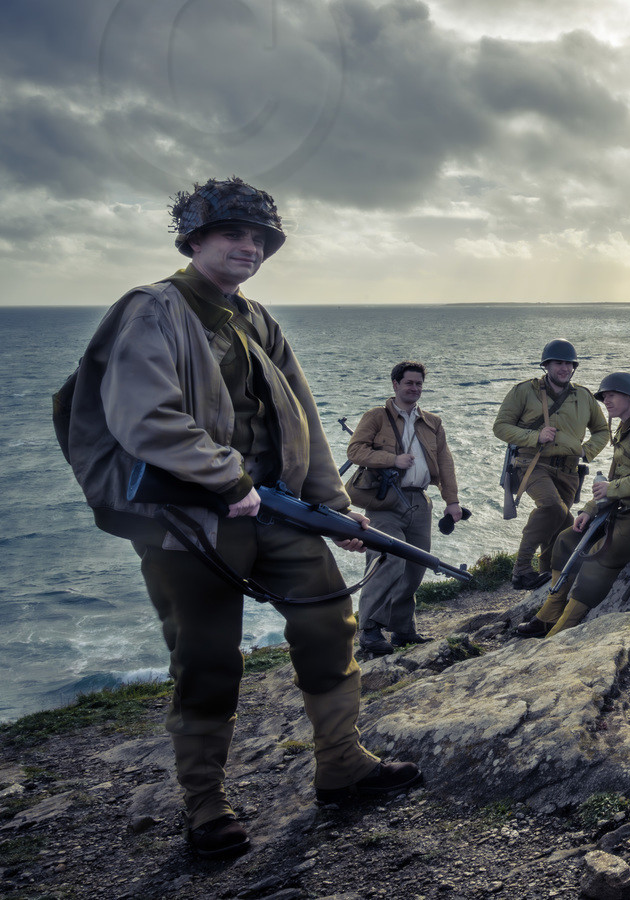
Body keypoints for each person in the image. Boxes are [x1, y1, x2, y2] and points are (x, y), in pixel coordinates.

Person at [56, 177, 421, 859]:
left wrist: (333, 511)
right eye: (233, 234)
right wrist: (227, 479)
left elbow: (301, 421)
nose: (248, 248)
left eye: (259, 239)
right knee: (206, 658)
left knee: (326, 624)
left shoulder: (256, 321)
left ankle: (341, 766)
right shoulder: (152, 310)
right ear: (195, 240)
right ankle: (205, 806)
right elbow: (144, 418)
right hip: (187, 517)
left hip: (276, 508)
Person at [515, 372, 630, 637]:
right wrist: (589, 510)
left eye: (612, 395)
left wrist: (612, 489)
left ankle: (563, 629)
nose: (606, 401)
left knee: (600, 557)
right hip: (624, 508)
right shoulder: (626, 428)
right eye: (604, 397)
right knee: (566, 540)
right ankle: (549, 615)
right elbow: (616, 477)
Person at [346, 361, 463, 655]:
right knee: (387, 560)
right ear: (395, 385)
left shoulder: (433, 422)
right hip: (385, 502)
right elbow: (355, 450)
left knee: (415, 566)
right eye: (409, 383)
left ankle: (402, 629)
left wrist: (452, 502)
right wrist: (392, 460)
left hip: (419, 500)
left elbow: (445, 463)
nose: (415, 389)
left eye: (419, 384)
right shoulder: (376, 416)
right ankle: (370, 630)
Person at [493, 340, 610, 590]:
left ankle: (546, 575)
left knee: (560, 524)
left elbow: (602, 430)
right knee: (553, 508)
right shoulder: (524, 391)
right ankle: (522, 568)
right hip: (532, 464)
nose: (565, 368)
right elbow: (500, 427)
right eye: (559, 363)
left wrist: (587, 451)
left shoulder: (584, 396)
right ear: (546, 365)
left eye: (569, 364)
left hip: (569, 470)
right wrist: (534, 437)